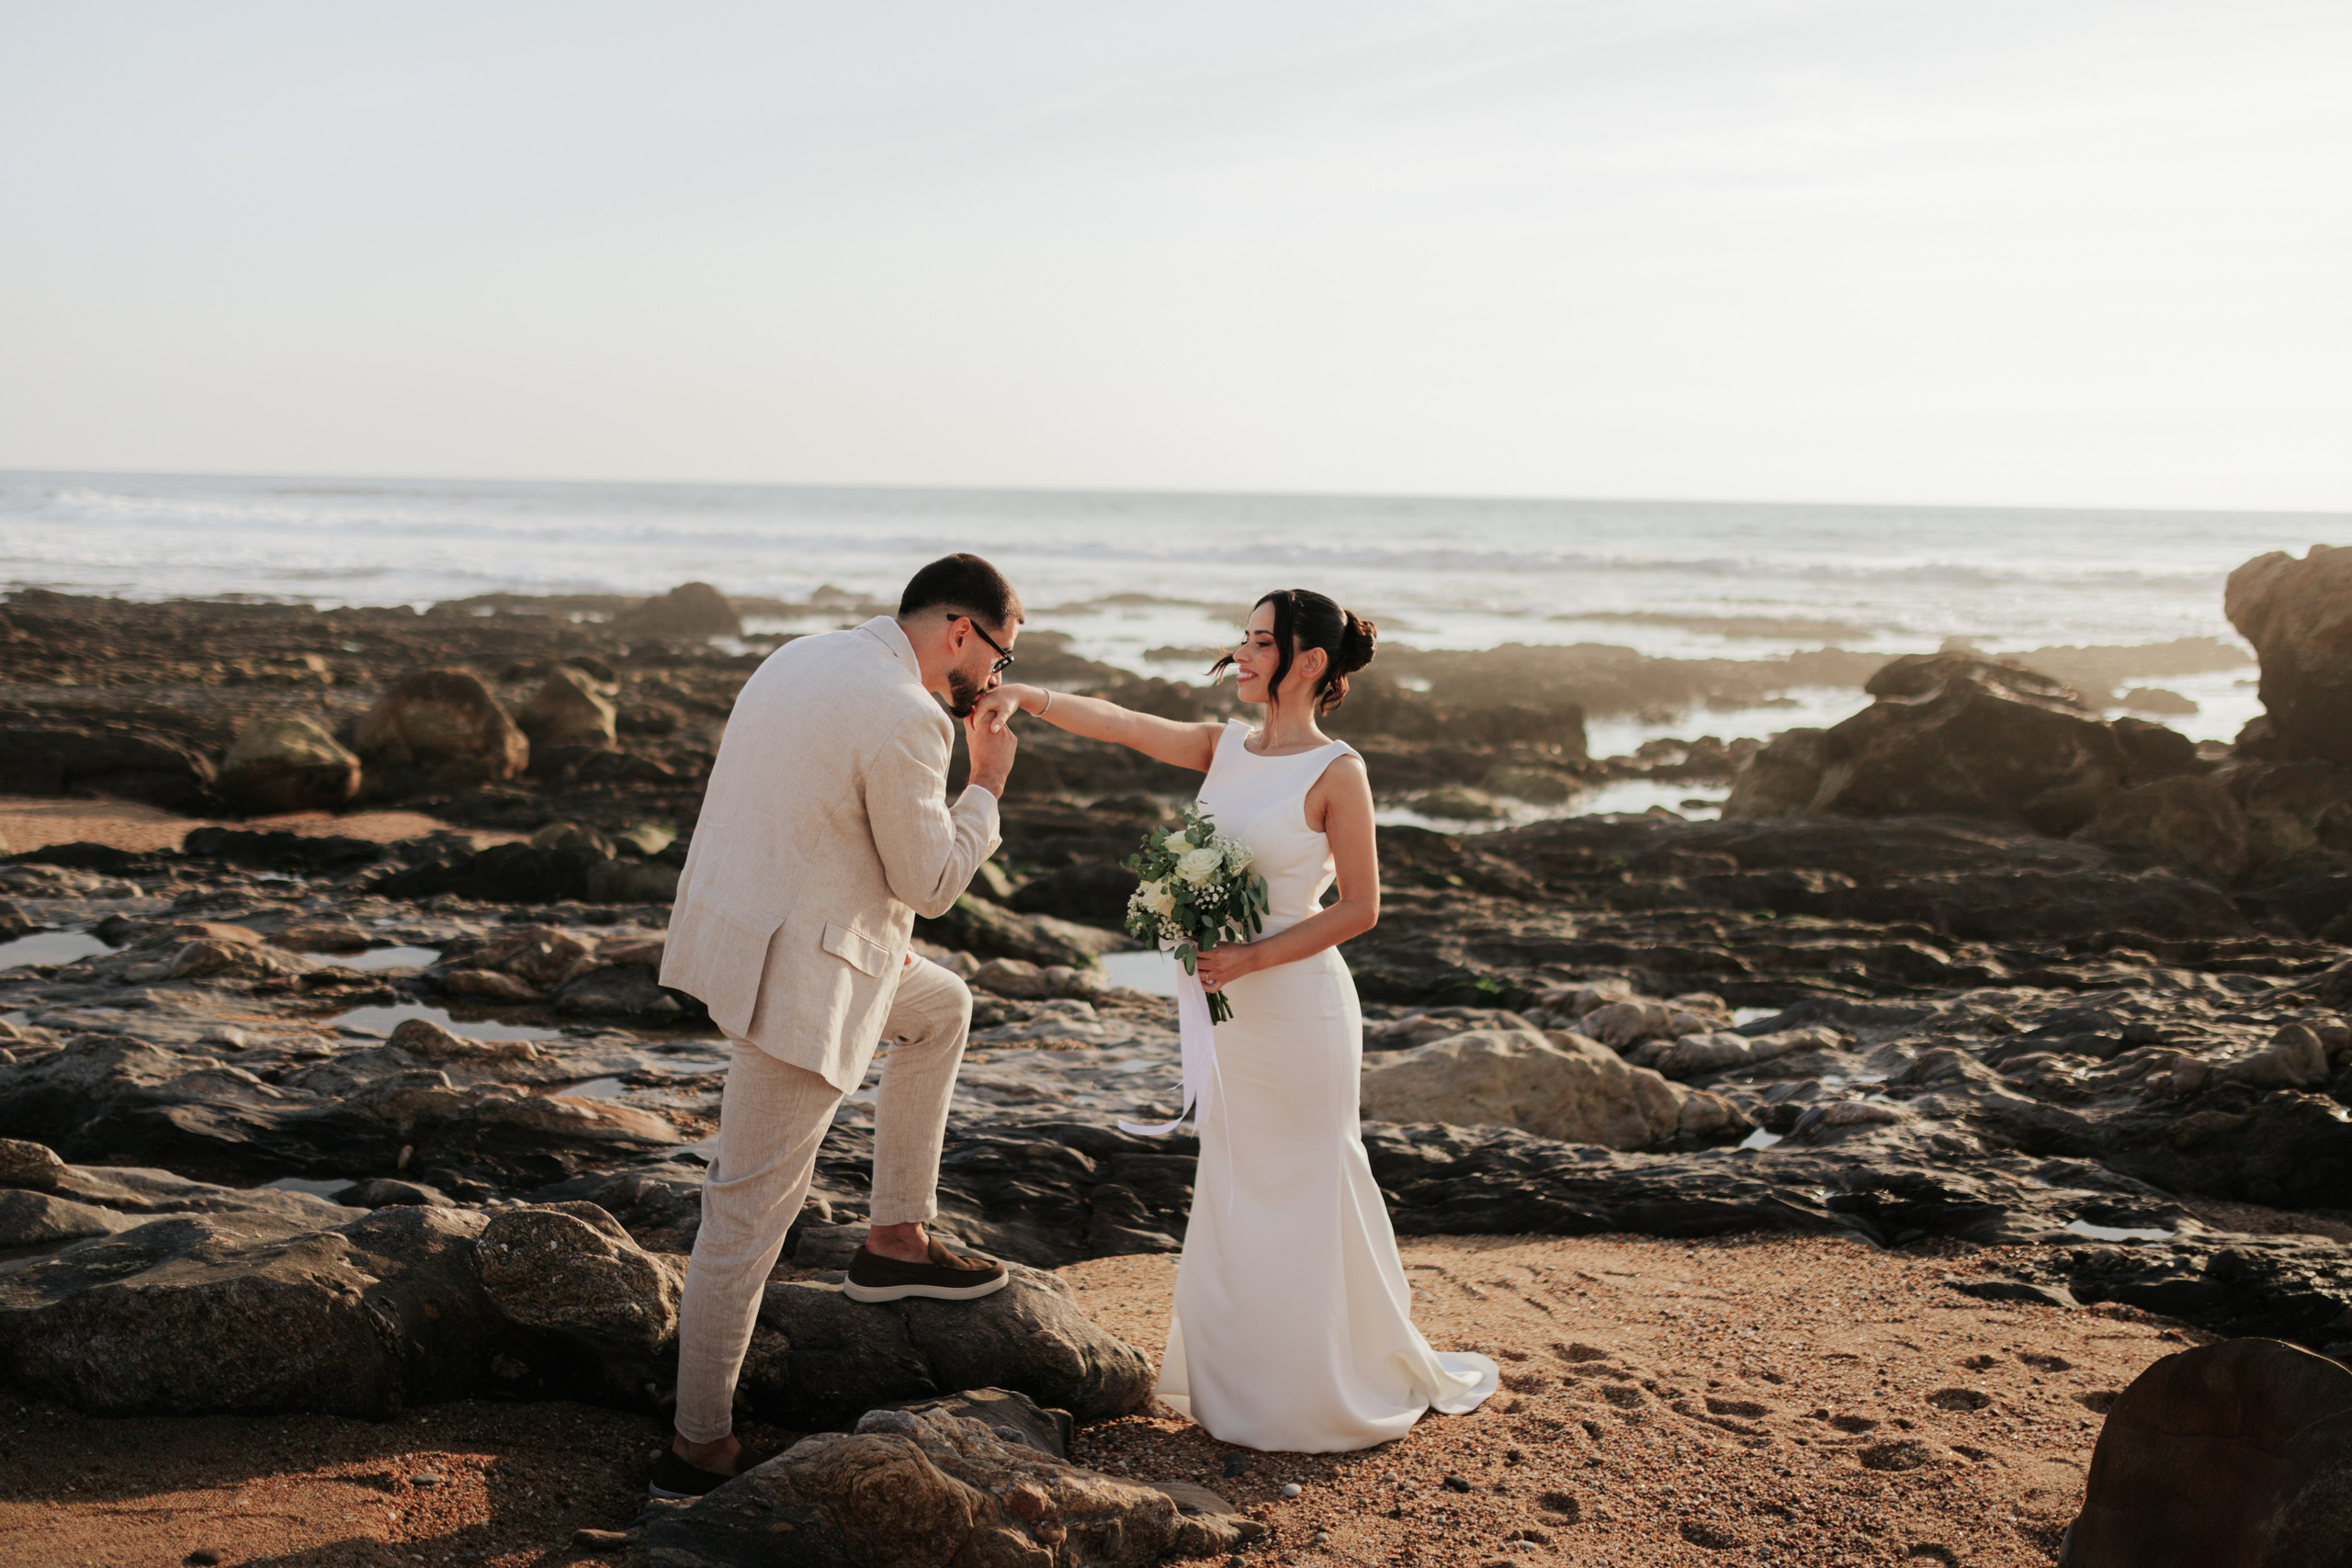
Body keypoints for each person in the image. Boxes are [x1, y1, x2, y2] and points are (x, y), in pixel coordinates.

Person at [970, 588, 1496, 1452]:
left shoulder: (1338, 771)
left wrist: (1251, 956)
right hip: (1230, 1011)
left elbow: (1362, 906)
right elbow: (1129, 724)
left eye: (1260, 642)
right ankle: (1241, 1385)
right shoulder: (1225, 747)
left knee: (1305, 1179)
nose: (1242, 655)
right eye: (1244, 639)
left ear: (1311, 661)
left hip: (1300, 1008)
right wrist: (1033, 698)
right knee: (1239, 1179)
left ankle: (1322, 1387)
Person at [650, 553, 1025, 1496]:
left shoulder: (798, 655)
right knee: (742, 1219)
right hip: (800, 981)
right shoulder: (908, 716)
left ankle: (895, 1237)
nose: (992, 679)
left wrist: (872, 926)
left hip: (745, 934)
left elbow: (797, 812)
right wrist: (984, 786)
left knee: (940, 1007)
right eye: (999, 657)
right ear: (957, 633)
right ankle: (697, 1450)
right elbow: (929, 883)